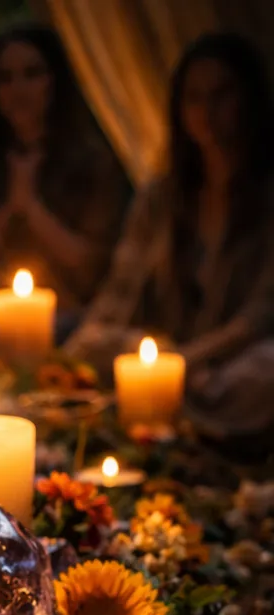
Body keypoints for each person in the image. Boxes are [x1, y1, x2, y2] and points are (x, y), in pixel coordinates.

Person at [68, 33, 274, 440]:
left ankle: (173, 413)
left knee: (263, 375)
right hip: (165, 348)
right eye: (194, 99)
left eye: (221, 96)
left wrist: (188, 361)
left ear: (248, 100)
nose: (207, 113)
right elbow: (119, 293)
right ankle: (163, 405)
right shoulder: (162, 196)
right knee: (95, 343)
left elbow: (260, 315)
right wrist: (72, 355)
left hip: (227, 360)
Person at [0, 25, 127, 328]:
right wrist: (8, 212)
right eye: (5, 78)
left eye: (32, 74)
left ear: (54, 81)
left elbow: (94, 266)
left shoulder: (96, 163)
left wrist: (32, 208)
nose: (18, 89)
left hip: (72, 320)